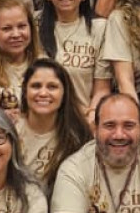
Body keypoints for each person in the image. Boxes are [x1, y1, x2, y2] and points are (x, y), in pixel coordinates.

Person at [40, 0, 111, 113]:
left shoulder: (100, 29)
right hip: (42, 117)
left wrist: (91, 116)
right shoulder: (32, 25)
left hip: (83, 118)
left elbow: (102, 89)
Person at [18, 57, 92, 186]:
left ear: (64, 93)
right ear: (25, 91)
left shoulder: (79, 137)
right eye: (36, 86)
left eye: (52, 87)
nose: (43, 93)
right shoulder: (10, 130)